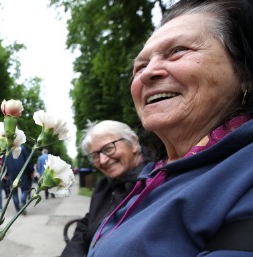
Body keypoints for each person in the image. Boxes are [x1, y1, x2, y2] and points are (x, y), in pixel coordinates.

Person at [87, 1, 253, 256]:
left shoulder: (244, 172)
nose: (147, 73)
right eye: (140, 66)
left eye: (178, 50)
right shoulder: (155, 174)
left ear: (245, 74)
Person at [60, 120, 146, 257]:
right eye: (95, 156)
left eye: (108, 149)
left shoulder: (155, 182)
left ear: (134, 142)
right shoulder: (105, 184)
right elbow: (89, 222)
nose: (102, 160)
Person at [4, 144, 33, 214]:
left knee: (14, 192)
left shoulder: (7, 150)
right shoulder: (22, 148)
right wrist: (31, 170)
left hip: (11, 173)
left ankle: (17, 208)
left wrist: (5, 174)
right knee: (25, 189)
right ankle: (22, 202)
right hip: (22, 172)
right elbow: (28, 160)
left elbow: (3, 163)